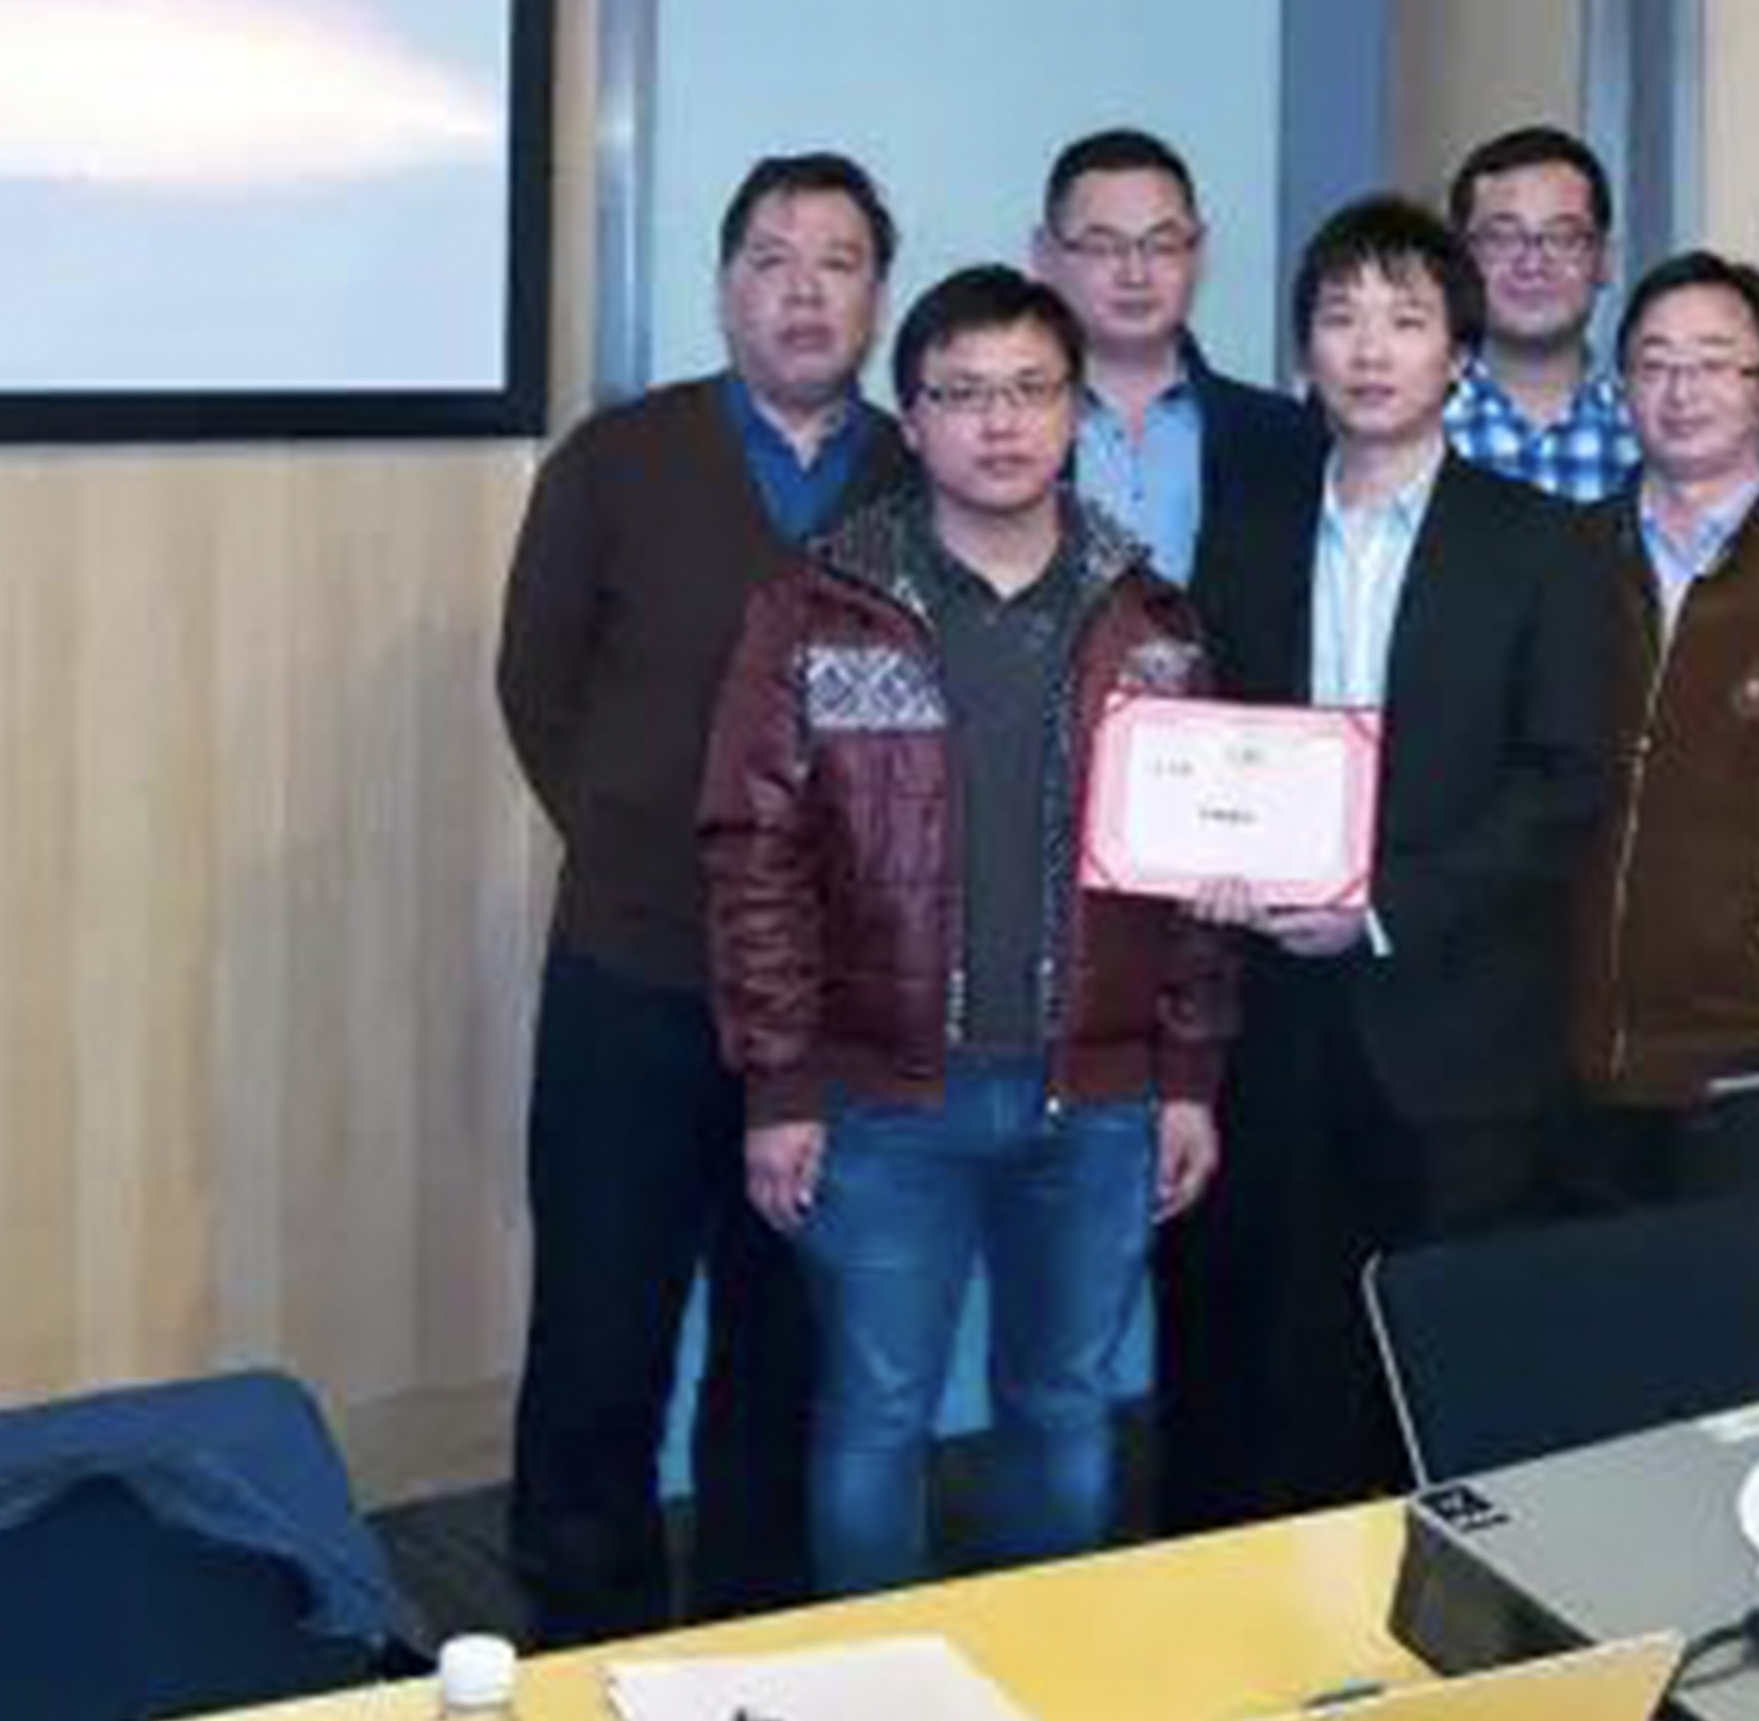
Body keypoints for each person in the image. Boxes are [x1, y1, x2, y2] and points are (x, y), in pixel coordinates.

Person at [701, 266, 1234, 1597]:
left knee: (1064, 1408)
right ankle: (868, 1678)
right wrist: (779, 1082)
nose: (999, 422)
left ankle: (1040, 1672)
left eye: (1030, 390)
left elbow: (1197, 878)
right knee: (874, 1414)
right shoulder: (816, 606)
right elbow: (753, 854)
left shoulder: (1150, 618)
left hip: (1097, 1097)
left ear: (1072, 411)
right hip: (883, 1098)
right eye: (962, 393)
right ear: (912, 415)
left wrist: (1188, 1073)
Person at [494, 151, 908, 1642]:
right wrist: (645, 850)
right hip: (636, 973)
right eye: (771, 260)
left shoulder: (918, 473)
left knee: (790, 1334)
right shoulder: (615, 462)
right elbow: (536, 684)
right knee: (600, 1325)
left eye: (838, 262)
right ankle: (578, 1630)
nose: (803, 292)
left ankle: (756, 1625)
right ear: (724, 285)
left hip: (842, 1002)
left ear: (877, 296)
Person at [1158, 195, 1615, 1525]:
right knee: (1274, 1364)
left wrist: (1378, 903)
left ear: (1456, 353)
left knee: (1451, 1380)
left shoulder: (1538, 542)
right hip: (1274, 1020)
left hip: (1461, 1027)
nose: (1368, 349)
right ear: (1301, 350)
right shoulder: (1246, 527)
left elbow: (1566, 784)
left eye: (1404, 320)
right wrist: (1209, 854)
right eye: (1339, 318)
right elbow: (1214, 740)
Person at [1565, 251, 1759, 1206]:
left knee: (1738, 1302)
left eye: (1713, 363)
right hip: (1565, 1054)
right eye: (1656, 363)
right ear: (1622, 388)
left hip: (1754, 1052)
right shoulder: (1558, 562)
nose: (1682, 390)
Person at [1028, 126, 1323, 589]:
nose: (1135, 274)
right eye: (1103, 247)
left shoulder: (1288, 438)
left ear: (1198, 254)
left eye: (1162, 245)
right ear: (1044, 256)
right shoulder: (998, 432)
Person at [1441, 124, 1641, 504]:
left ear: (1604, 260)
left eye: (1563, 238)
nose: (1532, 264)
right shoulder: (1410, 429)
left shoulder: (1653, 430)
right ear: (1459, 260)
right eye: (1502, 238)